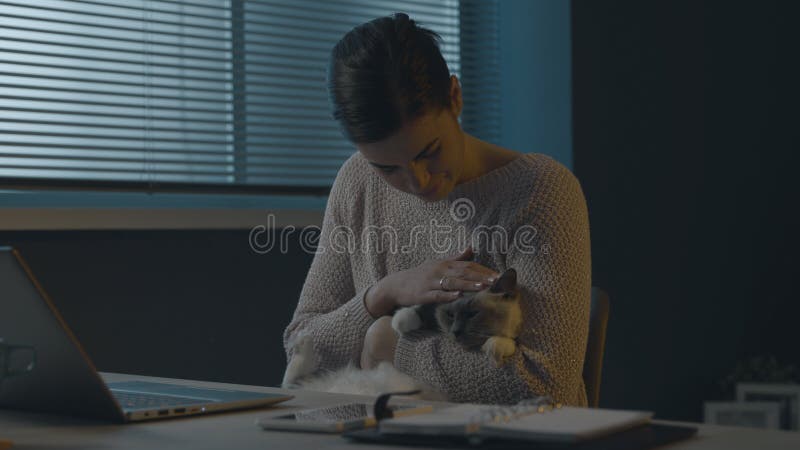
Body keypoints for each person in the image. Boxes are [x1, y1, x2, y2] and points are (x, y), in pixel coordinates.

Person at [283, 13, 591, 406]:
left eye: (429, 152)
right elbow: (300, 352)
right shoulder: (356, 181)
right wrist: (382, 294)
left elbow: (546, 385)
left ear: (455, 97)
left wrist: (385, 343)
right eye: (387, 167)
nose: (418, 182)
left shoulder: (540, 191)